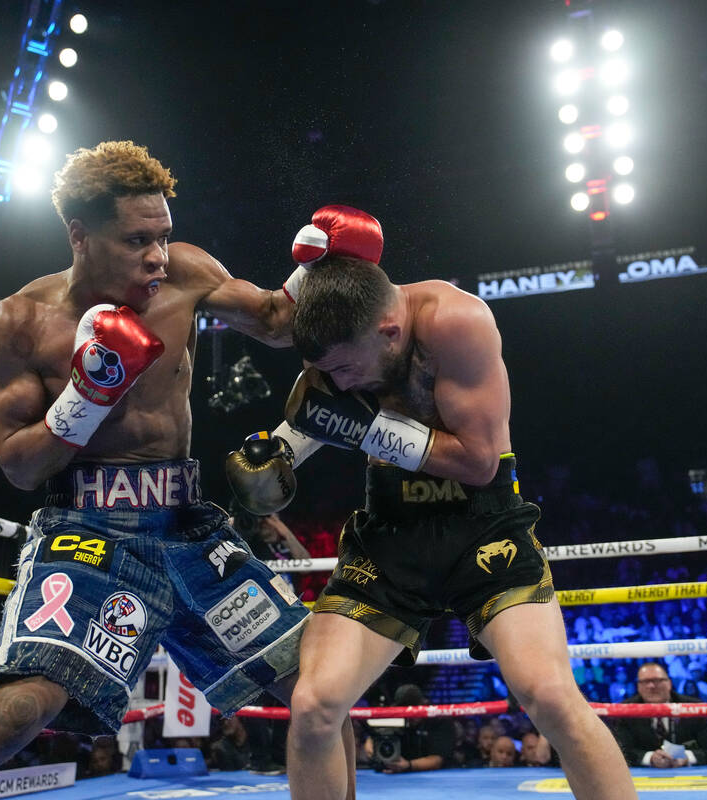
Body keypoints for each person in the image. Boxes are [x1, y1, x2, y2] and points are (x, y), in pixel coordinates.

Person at [0, 141, 352, 800]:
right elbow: (19, 467)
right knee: (17, 712)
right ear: (79, 236)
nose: (157, 257)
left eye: (163, 236)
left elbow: (281, 325)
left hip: (190, 527)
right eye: (137, 240)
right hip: (87, 531)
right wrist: (86, 399)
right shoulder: (20, 323)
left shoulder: (188, 274)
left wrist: (322, 267)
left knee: (321, 686)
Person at [226, 205, 637, 800]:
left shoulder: (456, 321)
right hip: (390, 534)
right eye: (326, 371)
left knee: (550, 696)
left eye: (345, 368)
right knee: (315, 705)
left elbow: (479, 462)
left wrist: (366, 430)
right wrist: (276, 461)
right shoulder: (336, 345)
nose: (339, 384)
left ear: (389, 332)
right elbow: (321, 406)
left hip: (483, 527)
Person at [608, 662, 707, 768]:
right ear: (638, 686)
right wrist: (650, 758)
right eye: (645, 682)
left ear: (669, 683)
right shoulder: (625, 710)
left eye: (657, 680)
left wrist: (686, 757)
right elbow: (619, 754)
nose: (651, 686)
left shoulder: (693, 707)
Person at [360, 684, 455, 774]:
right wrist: (371, 741)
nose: (408, 717)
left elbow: (437, 761)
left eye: (411, 712)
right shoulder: (396, 718)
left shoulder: (439, 720)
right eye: (404, 711)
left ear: (423, 705)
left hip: (437, 776)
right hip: (395, 777)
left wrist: (408, 765)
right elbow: (377, 733)